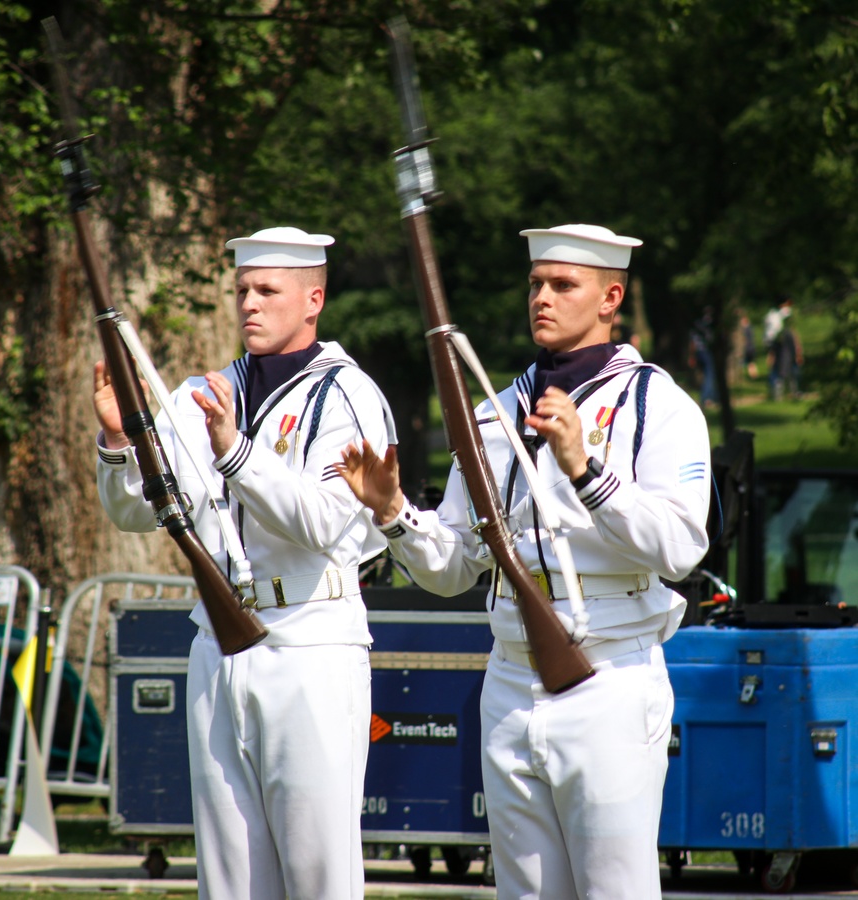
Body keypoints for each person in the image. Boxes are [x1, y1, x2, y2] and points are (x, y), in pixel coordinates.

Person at [334, 224, 712, 900]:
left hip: (609, 669)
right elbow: (451, 567)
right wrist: (393, 514)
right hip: (508, 674)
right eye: (535, 283)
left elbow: (680, 547)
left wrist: (587, 470)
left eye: (563, 285)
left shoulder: (657, 405)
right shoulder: (492, 410)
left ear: (609, 297)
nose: (542, 297)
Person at [93, 226, 396, 899]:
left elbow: (322, 523)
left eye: (267, 290)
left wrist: (236, 453)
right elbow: (137, 509)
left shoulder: (348, 396)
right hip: (220, 640)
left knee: (317, 870)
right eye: (240, 291)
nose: (249, 304)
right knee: (228, 873)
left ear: (313, 298)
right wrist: (118, 442)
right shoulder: (205, 391)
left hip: (310, 638)